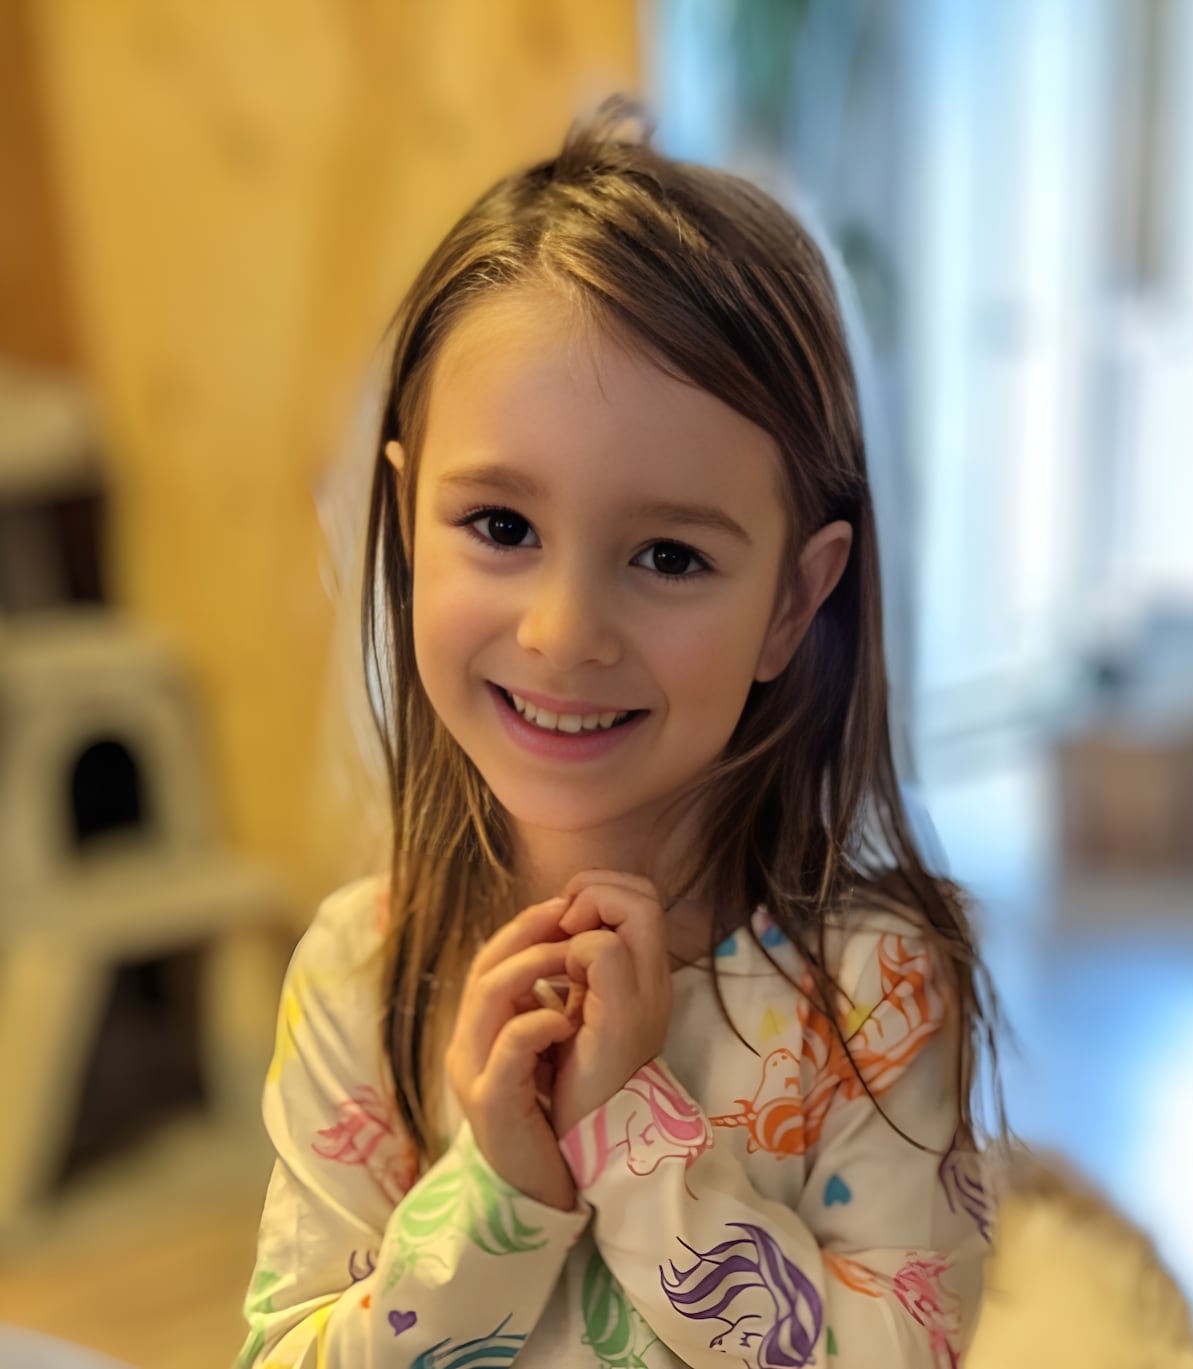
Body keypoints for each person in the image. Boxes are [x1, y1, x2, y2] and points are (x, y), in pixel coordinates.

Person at [236, 96, 998, 1369]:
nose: (560, 631)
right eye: (499, 527)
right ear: (406, 517)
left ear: (791, 604)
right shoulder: (357, 972)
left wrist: (631, 1142)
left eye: (665, 554)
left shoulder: (878, 996)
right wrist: (498, 1193)